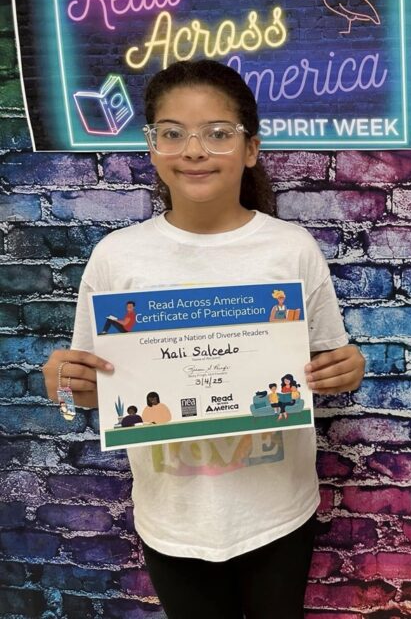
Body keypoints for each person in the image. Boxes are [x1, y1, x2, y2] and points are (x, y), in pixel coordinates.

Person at [42, 59, 365, 619]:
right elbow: (91, 389)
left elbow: (327, 362)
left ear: (250, 148)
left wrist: (347, 369)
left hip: (278, 512)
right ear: (152, 147)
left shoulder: (291, 249)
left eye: (217, 133)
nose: (194, 150)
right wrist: (69, 386)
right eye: (172, 133)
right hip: (173, 519)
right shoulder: (117, 258)